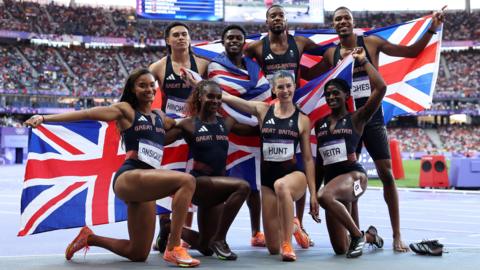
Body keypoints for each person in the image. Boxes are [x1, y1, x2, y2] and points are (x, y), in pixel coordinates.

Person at [24, 68, 200, 267]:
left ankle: (89, 238)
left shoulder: (160, 116)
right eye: (142, 85)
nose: (149, 89)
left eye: (152, 85)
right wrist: (45, 119)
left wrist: (201, 99)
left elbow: (181, 124)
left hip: (146, 185)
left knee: (138, 253)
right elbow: (89, 114)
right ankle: (174, 247)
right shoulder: (125, 110)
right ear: (133, 89)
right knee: (187, 181)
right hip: (130, 176)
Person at [308, 6, 445, 252]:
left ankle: (396, 235)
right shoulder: (332, 53)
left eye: (346, 18)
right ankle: (358, 236)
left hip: (370, 118)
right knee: (343, 171)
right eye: (337, 19)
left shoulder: (370, 43)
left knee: (387, 174)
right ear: (334, 25)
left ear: (352, 22)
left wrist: (432, 29)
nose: (342, 22)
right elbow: (308, 75)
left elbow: (411, 51)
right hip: (346, 121)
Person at [222, 70, 319, 261]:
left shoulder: (302, 120)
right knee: (273, 249)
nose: (285, 90)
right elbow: (227, 98)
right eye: (280, 87)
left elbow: (308, 159)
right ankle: (293, 227)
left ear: (294, 87)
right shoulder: (262, 110)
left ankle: (288, 244)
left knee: (281, 185)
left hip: (293, 177)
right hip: (267, 180)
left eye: (288, 86)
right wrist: (197, 84)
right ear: (274, 90)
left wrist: (313, 193)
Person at [245, 4, 320, 246]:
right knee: (268, 163)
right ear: (266, 22)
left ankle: (298, 222)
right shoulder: (256, 47)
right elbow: (236, 62)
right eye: (272, 15)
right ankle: (265, 228)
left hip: (295, 111)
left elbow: (329, 53)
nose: (277, 18)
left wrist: (349, 56)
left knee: (297, 161)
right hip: (269, 113)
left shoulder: (300, 44)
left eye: (281, 15)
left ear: (287, 20)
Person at [160, 80, 251, 260]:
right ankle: (220, 239)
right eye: (210, 96)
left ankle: (168, 227)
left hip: (218, 190)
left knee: (205, 247)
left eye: (219, 98)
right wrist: (159, 120)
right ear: (200, 97)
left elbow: (255, 130)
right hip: (199, 185)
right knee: (242, 187)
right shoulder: (188, 124)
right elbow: (160, 141)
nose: (215, 101)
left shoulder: (227, 123)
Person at [315, 48, 386, 258]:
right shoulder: (319, 124)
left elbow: (381, 88)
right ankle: (370, 236)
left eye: (336, 92)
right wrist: (312, 194)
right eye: (328, 94)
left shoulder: (358, 117)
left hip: (355, 179)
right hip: (333, 184)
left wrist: (364, 61)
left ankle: (357, 235)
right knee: (340, 248)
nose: (331, 96)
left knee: (324, 195)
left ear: (347, 95)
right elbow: (320, 162)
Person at [149, 22, 210, 251]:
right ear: (168, 40)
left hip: (194, 129)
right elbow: (146, 95)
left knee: (190, 177)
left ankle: (183, 234)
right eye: (176, 35)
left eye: (185, 34)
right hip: (170, 129)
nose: (181, 38)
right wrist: (157, 114)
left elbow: (214, 93)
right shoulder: (158, 67)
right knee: (166, 178)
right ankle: (163, 231)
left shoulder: (203, 64)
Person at [207, 24, 269, 247]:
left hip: (254, 134)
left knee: (254, 186)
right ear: (223, 42)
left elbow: (264, 93)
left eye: (238, 38)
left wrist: (256, 121)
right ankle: (216, 234)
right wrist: (235, 119)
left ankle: (256, 232)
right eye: (230, 37)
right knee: (228, 185)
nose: (234, 41)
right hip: (228, 133)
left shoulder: (254, 67)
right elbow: (217, 97)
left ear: (244, 43)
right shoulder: (215, 67)